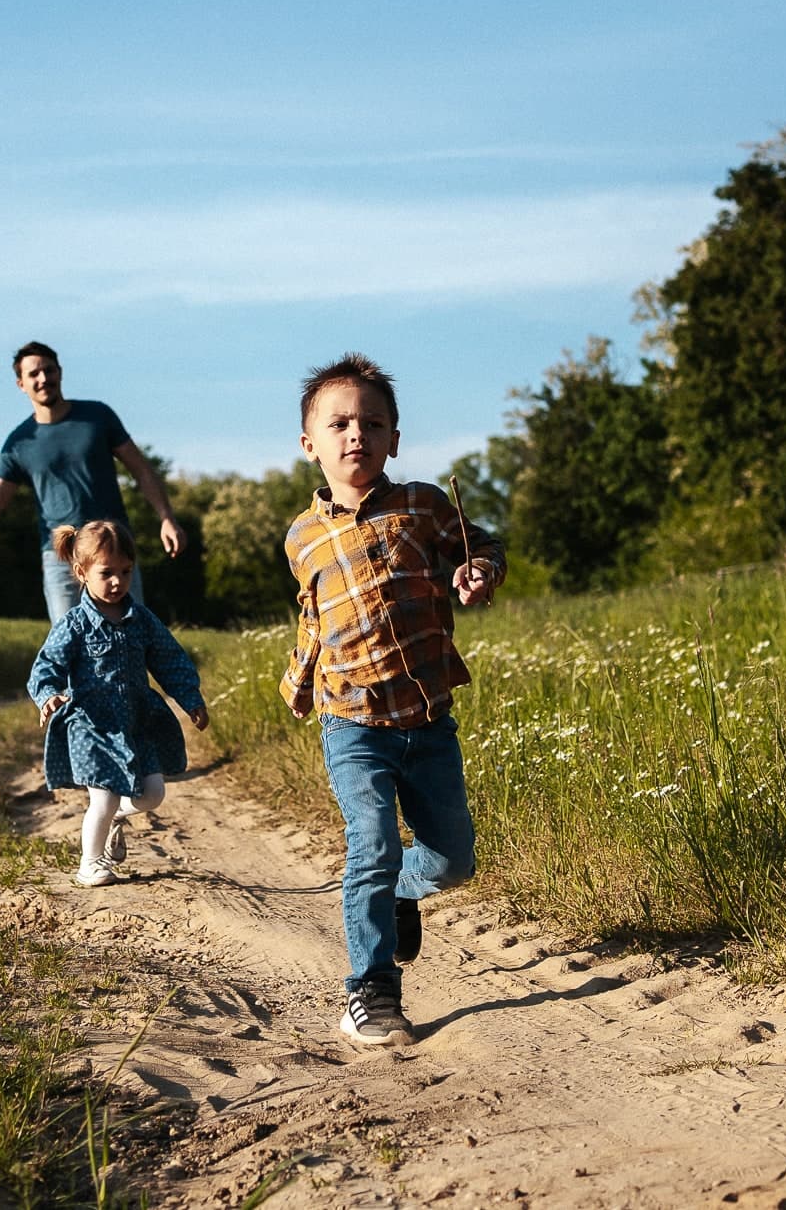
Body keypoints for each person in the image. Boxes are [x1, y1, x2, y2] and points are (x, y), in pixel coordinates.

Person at [280, 352, 504, 1048]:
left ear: (395, 439)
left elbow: (480, 547)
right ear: (310, 443)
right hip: (351, 722)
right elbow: (315, 616)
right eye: (340, 423)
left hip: (428, 720)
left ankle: (402, 891)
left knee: (454, 859)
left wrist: (478, 572)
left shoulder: (425, 505)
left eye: (373, 423)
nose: (357, 435)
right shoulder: (301, 536)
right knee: (371, 842)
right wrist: (298, 680)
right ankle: (368, 993)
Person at [0, 341, 186, 621]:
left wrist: (166, 517)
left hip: (113, 549)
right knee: (70, 647)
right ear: (21, 384)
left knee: (128, 638)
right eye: (34, 374)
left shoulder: (97, 417)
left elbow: (142, 470)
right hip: (61, 558)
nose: (43, 379)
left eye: (49, 370)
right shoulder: (18, 444)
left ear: (60, 372)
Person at [27, 520, 208, 887]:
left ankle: (119, 818)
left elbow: (169, 659)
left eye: (125, 572)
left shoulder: (141, 620)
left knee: (153, 794)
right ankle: (90, 864)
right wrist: (48, 695)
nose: (117, 582)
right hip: (93, 726)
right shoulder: (75, 624)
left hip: (138, 722)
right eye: (106, 573)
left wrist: (190, 698)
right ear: (82, 573)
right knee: (104, 799)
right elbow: (46, 665)